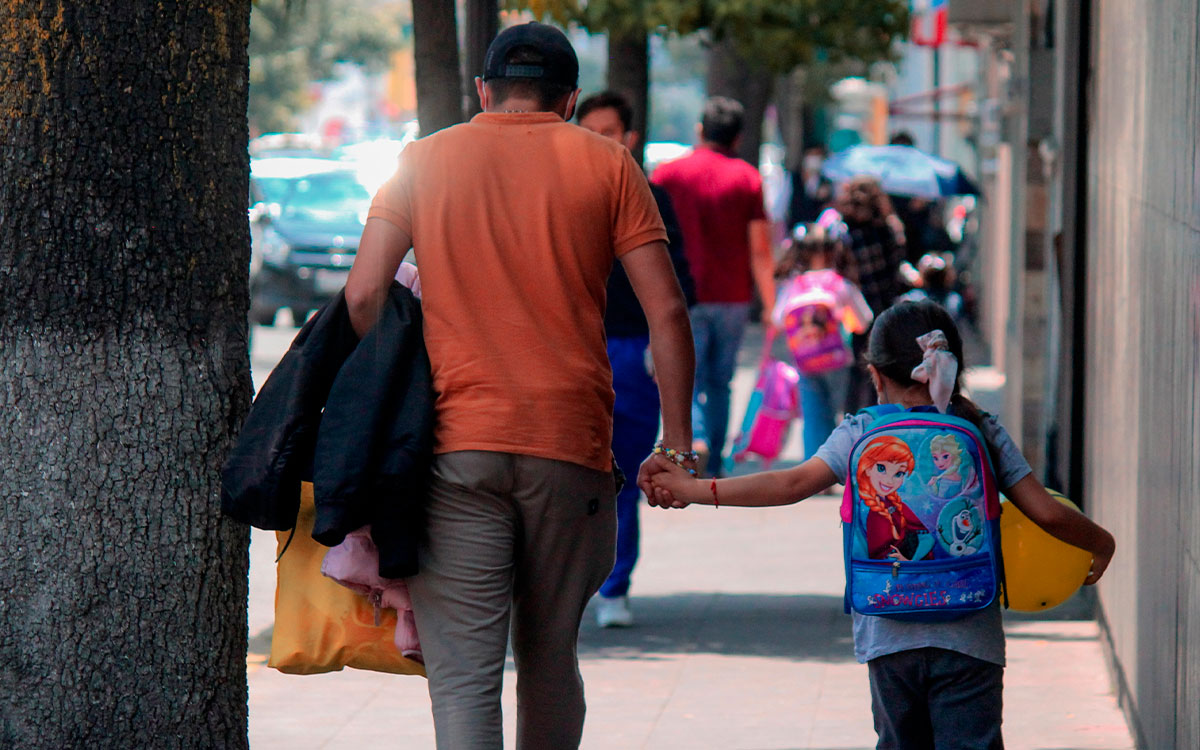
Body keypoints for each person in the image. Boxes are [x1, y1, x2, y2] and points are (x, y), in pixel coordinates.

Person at [344, 22, 696, 749]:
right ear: (568, 100)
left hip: (454, 449)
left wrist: (398, 383)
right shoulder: (608, 163)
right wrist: (677, 446)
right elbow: (666, 310)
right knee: (549, 657)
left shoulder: (423, 159)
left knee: (465, 679)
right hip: (570, 447)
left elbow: (363, 294)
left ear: (483, 91)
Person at [644, 300, 1116, 750]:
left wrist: (694, 489)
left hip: (889, 631)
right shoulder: (981, 428)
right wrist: (1101, 543)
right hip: (971, 634)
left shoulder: (860, 431)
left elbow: (790, 484)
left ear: (874, 373)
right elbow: (1047, 512)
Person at [576, 90, 696, 628]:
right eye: (589, 133)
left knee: (621, 472)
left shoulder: (653, 197)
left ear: (630, 138)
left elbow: (678, 289)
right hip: (573, 349)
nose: (599, 143)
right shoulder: (559, 195)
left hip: (631, 351)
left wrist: (658, 350)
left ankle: (614, 586)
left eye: (608, 133)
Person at [652, 96, 776, 476]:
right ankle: (716, 461)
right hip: (732, 296)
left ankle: (696, 440)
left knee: (683, 376)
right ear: (737, 138)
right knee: (721, 382)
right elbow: (760, 247)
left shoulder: (667, 176)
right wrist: (771, 303)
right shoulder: (747, 178)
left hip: (680, 293)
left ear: (700, 130)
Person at [772, 223, 873, 460]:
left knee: (813, 415)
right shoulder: (839, 284)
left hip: (805, 360)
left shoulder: (793, 285)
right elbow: (863, 321)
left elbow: (778, 319)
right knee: (841, 414)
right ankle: (841, 463)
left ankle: (815, 466)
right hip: (837, 359)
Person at [834, 176, 908, 413]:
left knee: (857, 370)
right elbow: (897, 264)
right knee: (882, 369)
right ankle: (878, 419)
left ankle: (852, 418)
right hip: (885, 306)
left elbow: (838, 271)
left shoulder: (844, 232)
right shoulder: (888, 229)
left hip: (855, 310)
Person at [788, 145, 835, 226]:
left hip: (817, 227)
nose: (814, 159)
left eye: (817, 155)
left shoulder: (826, 180)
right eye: (812, 154)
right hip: (795, 226)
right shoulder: (793, 178)